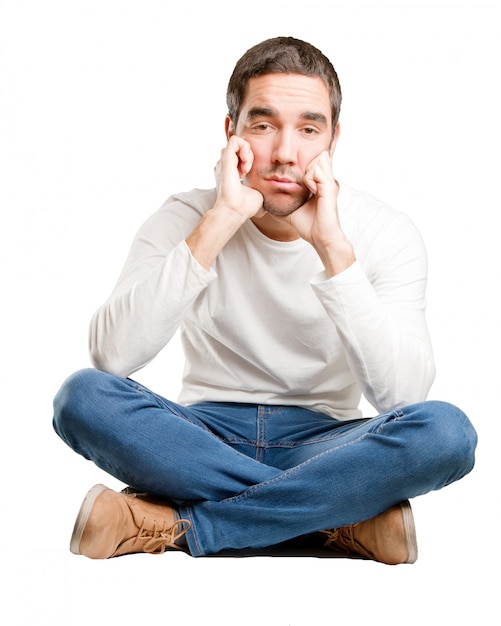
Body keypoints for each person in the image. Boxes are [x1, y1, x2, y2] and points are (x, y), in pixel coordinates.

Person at [52, 36, 477, 565]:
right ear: (231, 133)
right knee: (82, 398)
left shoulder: (384, 232)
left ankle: (180, 524)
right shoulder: (187, 216)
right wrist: (223, 220)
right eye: (263, 124)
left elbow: (404, 396)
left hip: (327, 442)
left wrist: (332, 249)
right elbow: (112, 358)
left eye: (308, 128)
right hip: (199, 438)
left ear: (332, 139)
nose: (284, 152)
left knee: (446, 433)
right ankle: (335, 519)